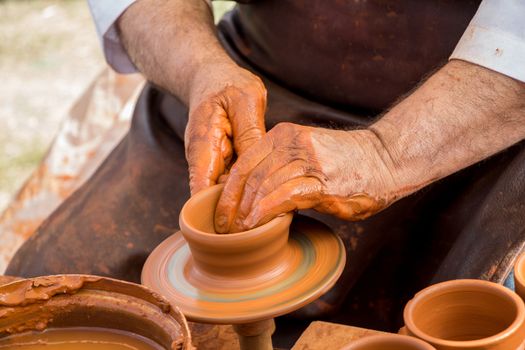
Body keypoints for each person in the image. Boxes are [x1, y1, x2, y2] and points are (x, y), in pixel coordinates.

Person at [6, 0, 525, 344]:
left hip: (477, 115)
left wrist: (385, 154)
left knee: (449, 326)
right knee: (58, 301)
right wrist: (199, 70)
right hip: (250, 83)